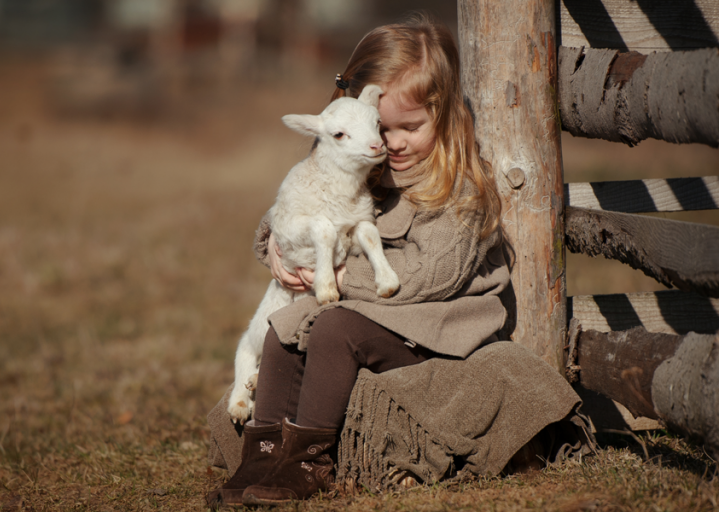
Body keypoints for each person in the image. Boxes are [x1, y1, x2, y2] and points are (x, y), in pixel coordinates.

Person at [208, 14, 516, 508]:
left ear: (445, 115)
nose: (390, 142)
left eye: (409, 127)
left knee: (333, 329)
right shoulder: (360, 164)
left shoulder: (459, 191)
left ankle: (309, 462)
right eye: (379, 127)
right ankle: (263, 455)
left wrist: (339, 277)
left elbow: (425, 278)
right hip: (373, 320)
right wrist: (279, 251)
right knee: (287, 324)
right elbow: (294, 208)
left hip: (433, 333)